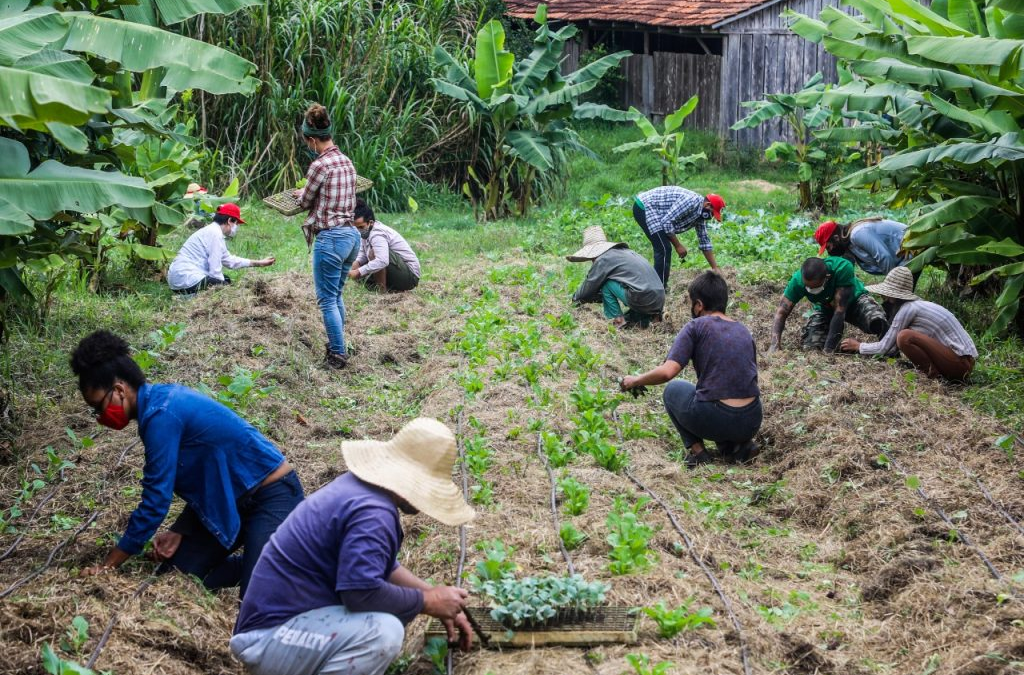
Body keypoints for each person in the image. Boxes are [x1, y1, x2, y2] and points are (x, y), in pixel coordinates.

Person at [230, 418, 475, 675]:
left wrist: (432, 593)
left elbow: (383, 568)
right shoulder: (373, 512)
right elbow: (360, 592)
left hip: (284, 628)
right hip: (270, 637)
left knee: (394, 614)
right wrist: (427, 601)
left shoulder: (361, 492)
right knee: (382, 632)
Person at [70, 330, 303, 598]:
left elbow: (156, 500)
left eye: (98, 407)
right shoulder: (159, 404)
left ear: (120, 390)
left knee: (257, 597)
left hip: (272, 496)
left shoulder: (161, 416)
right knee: (176, 579)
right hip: (232, 501)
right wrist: (182, 529)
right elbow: (209, 473)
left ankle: (277, 566)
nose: (100, 416)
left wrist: (108, 566)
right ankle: (255, 561)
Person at [620, 272, 761, 469]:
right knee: (715, 395)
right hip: (752, 419)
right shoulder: (743, 330)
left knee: (673, 390)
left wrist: (636, 380)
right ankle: (738, 446)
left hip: (716, 416)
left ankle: (699, 453)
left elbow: (667, 372)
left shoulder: (696, 326)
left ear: (699, 305)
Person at [295, 103, 360, 370]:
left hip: (331, 239)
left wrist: (301, 195)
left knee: (326, 300)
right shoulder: (347, 161)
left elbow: (305, 202)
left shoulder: (319, 165)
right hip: (351, 238)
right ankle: (340, 344)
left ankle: (337, 354)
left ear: (311, 139)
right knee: (337, 295)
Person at [840, 266, 977, 381]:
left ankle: (933, 374)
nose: (883, 298)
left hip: (960, 364)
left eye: (885, 294)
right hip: (962, 362)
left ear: (892, 295)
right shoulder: (916, 306)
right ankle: (934, 371)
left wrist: (858, 346)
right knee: (903, 336)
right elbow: (892, 347)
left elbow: (885, 347)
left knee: (904, 336)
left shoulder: (908, 309)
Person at [769, 256, 888, 353]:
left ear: (827, 278)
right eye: (807, 286)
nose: (810, 289)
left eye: (814, 287)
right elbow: (781, 312)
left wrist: (828, 350)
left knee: (876, 320)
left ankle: (888, 349)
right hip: (825, 308)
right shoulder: (797, 281)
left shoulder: (842, 268)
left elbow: (840, 311)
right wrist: (774, 344)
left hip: (854, 301)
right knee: (811, 347)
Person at [567, 226, 665, 328]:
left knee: (606, 285)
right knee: (632, 317)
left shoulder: (603, 259)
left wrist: (574, 300)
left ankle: (618, 320)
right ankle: (653, 317)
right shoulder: (624, 253)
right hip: (659, 298)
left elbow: (589, 286)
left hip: (642, 296)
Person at [167, 203, 275, 294]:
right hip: (186, 280)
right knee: (224, 284)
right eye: (236, 223)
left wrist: (259, 263)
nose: (236, 227)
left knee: (226, 280)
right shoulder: (215, 234)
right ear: (229, 221)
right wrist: (224, 292)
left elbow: (229, 260)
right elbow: (215, 271)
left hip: (180, 281)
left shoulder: (213, 231)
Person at [633, 186, 725, 288]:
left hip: (657, 212)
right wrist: (678, 246)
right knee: (663, 247)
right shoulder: (690, 202)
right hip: (645, 206)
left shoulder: (700, 216)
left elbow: (704, 242)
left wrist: (715, 268)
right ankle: (659, 288)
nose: (711, 216)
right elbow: (667, 223)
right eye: (712, 213)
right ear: (707, 205)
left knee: (664, 247)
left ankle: (659, 286)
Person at [347, 199, 421, 292]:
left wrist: (358, 272)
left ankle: (382, 291)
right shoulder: (365, 233)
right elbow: (362, 255)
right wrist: (353, 267)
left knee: (374, 254)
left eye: (361, 227)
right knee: (360, 275)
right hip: (397, 272)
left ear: (370, 223)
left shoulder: (377, 233)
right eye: (355, 228)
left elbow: (382, 260)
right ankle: (391, 289)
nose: (358, 230)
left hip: (410, 277)